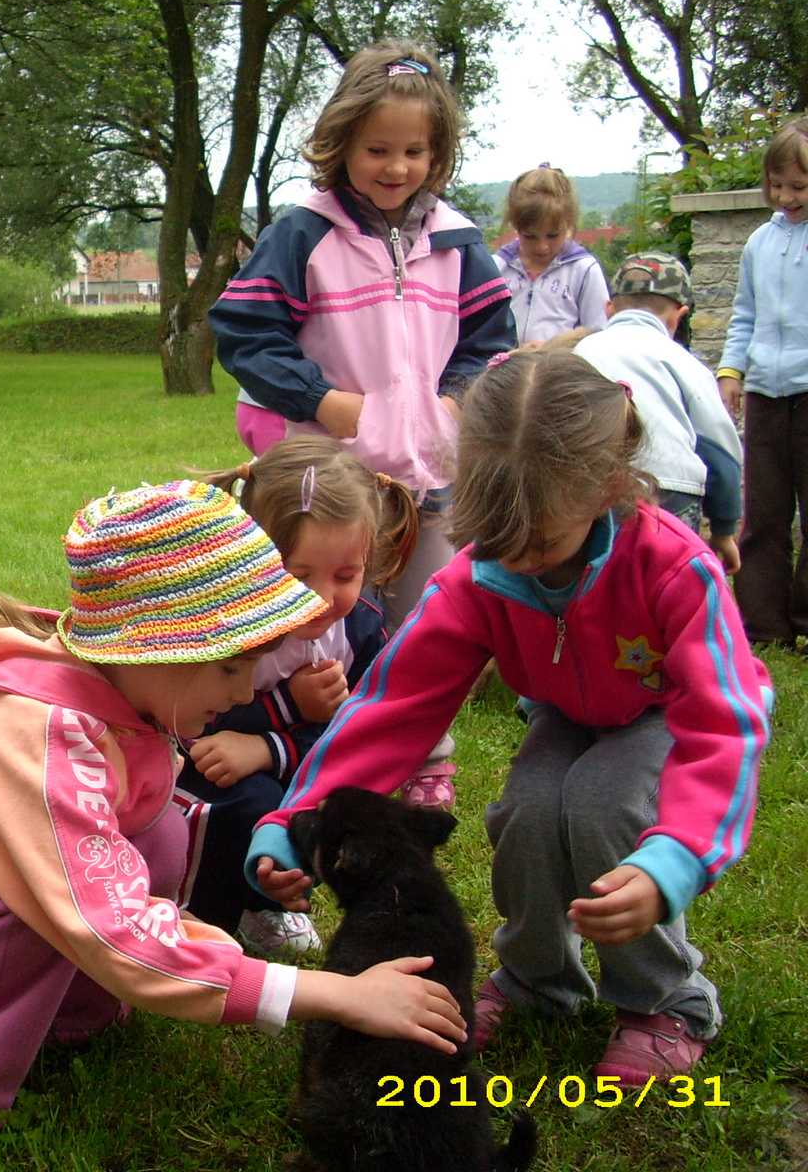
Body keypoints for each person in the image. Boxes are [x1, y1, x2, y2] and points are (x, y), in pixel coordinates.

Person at [0, 482, 468, 1154]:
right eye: (230, 668)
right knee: (40, 888)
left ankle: (67, 1016)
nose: (245, 691)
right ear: (153, 651)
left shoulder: (126, 703)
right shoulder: (32, 733)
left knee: (159, 830)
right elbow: (107, 920)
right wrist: (331, 993)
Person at [247, 352, 771, 1087]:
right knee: (526, 809)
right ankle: (537, 981)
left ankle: (665, 1000)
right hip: (568, 714)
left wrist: (677, 857)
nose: (517, 564)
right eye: (496, 543)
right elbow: (393, 708)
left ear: (610, 487)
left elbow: (725, 722)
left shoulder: (674, 567)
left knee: (601, 806)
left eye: (542, 545)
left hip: (662, 715)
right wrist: (295, 817)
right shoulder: (483, 574)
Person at [211, 39, 515, 637]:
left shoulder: (460, 243)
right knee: (318, 631)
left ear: (437, 152)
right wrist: (320, 399)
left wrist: (455, 401)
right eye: (377, 150)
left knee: (423, 629)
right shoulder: (303, 233)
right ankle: (303, 727)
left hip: (428, 480)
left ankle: (419, 731)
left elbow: (490, 343)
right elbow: (245, 331)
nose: (396, 168)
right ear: (342, 141)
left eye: (414, 151)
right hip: (326, 484)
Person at [174, 436, 447, 956]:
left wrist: (272, 747)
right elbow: (188, 718)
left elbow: (363, 730)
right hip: (198, 774)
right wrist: (286, 708)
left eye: (347, 575)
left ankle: (269, 906)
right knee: (249, 806)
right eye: (299, 576)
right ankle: (203, 919)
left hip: (294, 768)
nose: (324, 598)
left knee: (328, 810)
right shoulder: (228, 622)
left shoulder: (361, 630)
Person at [574, 252, 741, 569]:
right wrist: (723, 529)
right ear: (679, 316)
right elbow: (721, 452)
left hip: (594, 493)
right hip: (671, 492)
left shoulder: (581, 353)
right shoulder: (684, 362)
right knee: (670, 580)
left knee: (606, 584)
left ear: (609, 310)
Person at [718, 115, 808, 648]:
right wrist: (733, 371)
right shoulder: (758, 241)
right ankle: (763, 625)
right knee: (765, 513)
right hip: (766, 395)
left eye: (798, 186)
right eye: (777, 185)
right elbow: (744, 314)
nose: (785, 195)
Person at [493, 165, 612, 345]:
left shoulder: (583, 269)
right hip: (507, 368)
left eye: (553, 235)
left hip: (560, 369)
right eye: (530, 236)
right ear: (515, 227)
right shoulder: (497, 267)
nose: (542, 247)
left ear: (569, 224)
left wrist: (555, 350)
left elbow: (599, 336)